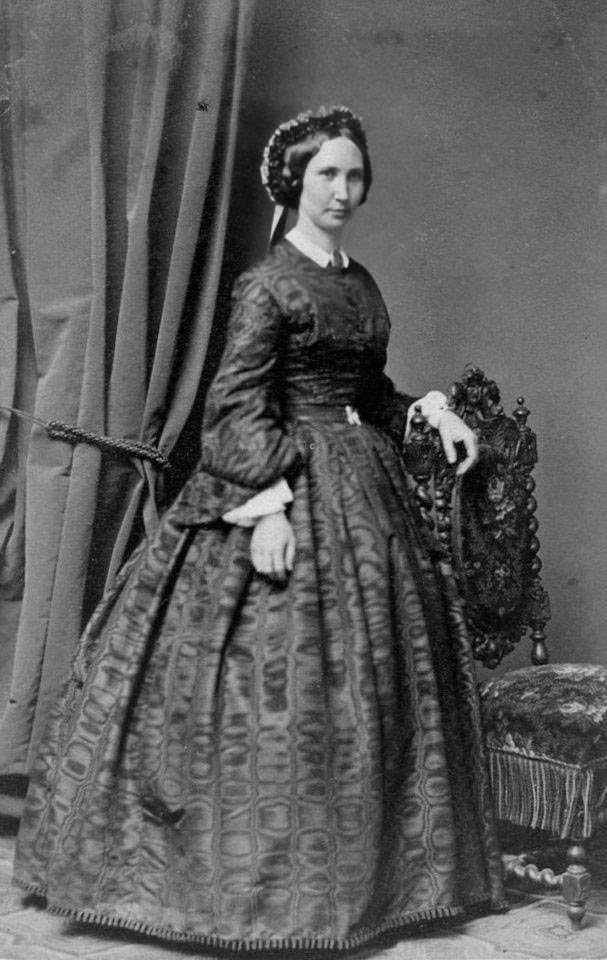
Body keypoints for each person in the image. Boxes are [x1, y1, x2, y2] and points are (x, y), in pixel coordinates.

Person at [13, 105, 506, 953]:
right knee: (267, 690)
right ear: (293, 182)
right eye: (326, 175)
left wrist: (430, 411)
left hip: (362, 489)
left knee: (366, 689)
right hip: (276, 482)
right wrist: (269, 506)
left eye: (353, 175)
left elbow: (368, 394)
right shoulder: (267, 284)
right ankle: (247, 897)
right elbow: (234, 407)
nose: (342, 191)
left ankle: (365, 885)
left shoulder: (359, 282)